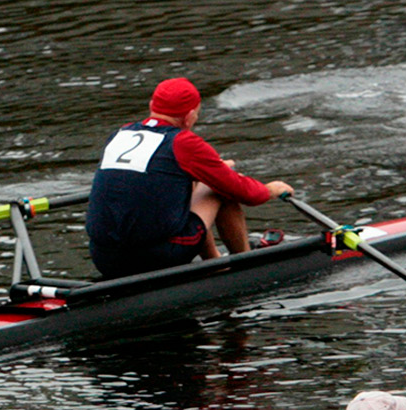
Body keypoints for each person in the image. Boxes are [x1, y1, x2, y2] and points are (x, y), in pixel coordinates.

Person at [85, 77, 296, 279]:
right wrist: (271, 189)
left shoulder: (121, 134)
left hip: (104, 258)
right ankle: (243, 265)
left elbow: (153, 179)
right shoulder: (183, 142)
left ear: (152, 105)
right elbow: (246, 193)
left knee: (199, 182)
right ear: (189, 116)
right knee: (223, 186)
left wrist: (211, 171)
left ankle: (215, 263)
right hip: (157, 258)